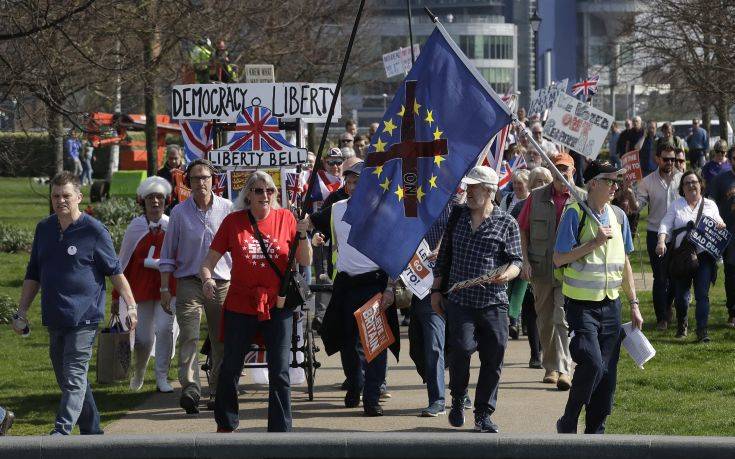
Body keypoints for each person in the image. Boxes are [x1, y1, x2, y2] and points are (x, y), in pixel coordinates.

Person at [12, 171, 138, 435]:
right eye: (56, 196)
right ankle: (92, 431)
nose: (61, 201)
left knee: (73, 375)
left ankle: (62, 430)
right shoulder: (44, 229)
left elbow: (115, 271)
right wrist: (22, 311)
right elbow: (33, 273)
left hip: (84, 317)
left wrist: (131, 305)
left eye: (66, 195)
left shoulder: (94, 230)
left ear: (79, 197)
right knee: (70, 379)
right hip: (54, 317)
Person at [200, 171, 311, 432]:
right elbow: (208, 262)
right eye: (259, 191)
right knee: (230, 367)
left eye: (270, 191)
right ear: (248, 194)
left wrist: (303, 235)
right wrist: (207, 280)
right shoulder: (233, 222)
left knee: (280, 371)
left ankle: (280, 430)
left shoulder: (286, 218)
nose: (265, 196)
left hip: (279, 305)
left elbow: (304, 260)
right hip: (241, 304)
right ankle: (226, 424)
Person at [431, 166, 522, 433]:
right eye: (468, 187)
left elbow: (516, 260)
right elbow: (444, 255)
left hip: (494, 302)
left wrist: (508, 274)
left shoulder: (507, 222)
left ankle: (483, 414)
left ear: (490, 191)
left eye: (474, 187)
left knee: (493, 358)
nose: (468, 192)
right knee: (460, 350)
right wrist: (436, 290)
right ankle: (458, 397)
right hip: (460, 300)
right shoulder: (457, 216)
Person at [554, 160, 642, 434]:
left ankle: (596, 432)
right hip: (581, 305)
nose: (616, 186)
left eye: (617, 181)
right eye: (610, 180)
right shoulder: (574, 214)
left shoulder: (618, 215)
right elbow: (558, 259)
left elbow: (624, 262)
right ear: (593, 184)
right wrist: (593, 243)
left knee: (607, 375)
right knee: (592, 363)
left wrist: (634, 303)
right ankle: (569, 420)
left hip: (611, 306)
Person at [308, 161, 398, 417]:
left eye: (359, 181)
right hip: (345, 285)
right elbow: (309, 223)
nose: (355, 186)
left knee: (374, 345)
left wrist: (390, 288)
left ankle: (372, 398)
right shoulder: (335, 209)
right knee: (348, 343)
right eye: (350, 182)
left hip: (373, 285)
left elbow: (394, 252)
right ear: (346, 187)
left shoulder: (384, 211)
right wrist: (307, 231)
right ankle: (354, 384)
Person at [159, 159, 232, 414]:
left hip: (221, 281)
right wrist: (164, 289)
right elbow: (167, 253)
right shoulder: (179, 213)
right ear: (188, 183)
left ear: (214, 180)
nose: (201, 183)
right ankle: (191, 388)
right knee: (189, 335)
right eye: (195, 178)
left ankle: (218, 389)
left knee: (220, 339)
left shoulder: (227, 208)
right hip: (189, 281)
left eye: (205, 177)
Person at [517, 153, 586, 390]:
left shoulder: (582, 198)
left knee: (562, 318)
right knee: (545, 320)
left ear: (573, 171)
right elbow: (523, 230)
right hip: (541, 269)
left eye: (565, 169)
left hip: (569, 270)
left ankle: (565, 369)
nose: (561, 173)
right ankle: (551, 367)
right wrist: (524, 261)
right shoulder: (536, 197)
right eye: (557, 169)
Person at [115, 177, 179, 393]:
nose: (155, 202)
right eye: (150, 197)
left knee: (164, 330)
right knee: (142, 339)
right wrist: (116, 296)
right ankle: (140, 371)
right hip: (140, 291)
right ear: (143, 200)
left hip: (167, 291)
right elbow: (121, 263)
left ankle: (161, 377)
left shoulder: (172, 225)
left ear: (165, 200)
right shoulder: (135, 227)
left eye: (159, 197)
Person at [657, 171, 725, 342]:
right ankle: (682, 324)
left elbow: (719, 221)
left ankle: (702, 332)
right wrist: (661, 241)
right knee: (681, 295)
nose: (691, 185)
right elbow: (665, 223)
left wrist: (721, 225)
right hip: (682, 256)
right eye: (687, 183)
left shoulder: (710, 205)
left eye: (694, 182)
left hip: (704, 257)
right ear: (682, 188)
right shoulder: (676, 205)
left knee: (702, 294)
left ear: (701, 184)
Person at [635, 144, 682, 330]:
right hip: (655, 234)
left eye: (673, 159)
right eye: (666, 159)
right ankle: (662, 317)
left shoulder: (682, 179)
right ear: (657, 159)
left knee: (675, 276)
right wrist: (630, 196)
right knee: (660, 277)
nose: (670, 162)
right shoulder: (647, 182)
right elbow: (637, 207)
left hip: (678, 234)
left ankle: (668, 304)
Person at [707, 145, 735, 327]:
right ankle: (732, 312)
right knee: (731, 275)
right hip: (729, 236)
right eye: (734, 158)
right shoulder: (720, 180)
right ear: (730, 160)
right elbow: (711, 204)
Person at [502, 170, 530, 339]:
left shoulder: (532, 200)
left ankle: (514, 320)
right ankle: (511, 320)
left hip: (525, 247)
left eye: (521, 183)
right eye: (515, 183)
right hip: (508, 246)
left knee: (520, 286)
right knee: (508, 284)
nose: (518, 186)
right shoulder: (508, 199)